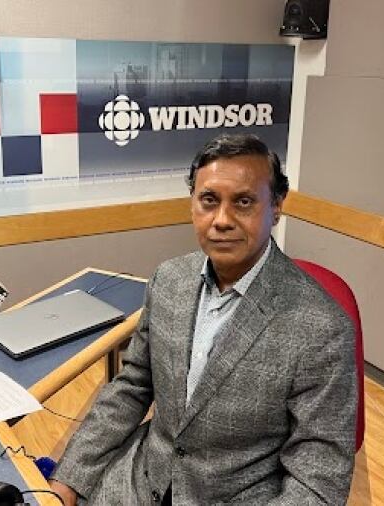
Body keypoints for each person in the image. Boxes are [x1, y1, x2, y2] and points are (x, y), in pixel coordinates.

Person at [49, 133, 358, 505]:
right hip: (141, 481)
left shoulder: (321, 326)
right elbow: (132, 386)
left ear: (276, 206)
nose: (222, 220)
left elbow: (317, 479)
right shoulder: (168, 280)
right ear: (192, 204)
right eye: (209, 201)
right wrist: (68, 480)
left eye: (243, 202)